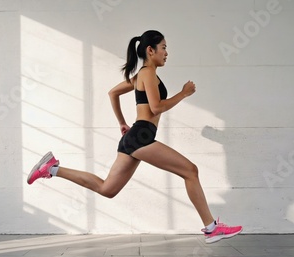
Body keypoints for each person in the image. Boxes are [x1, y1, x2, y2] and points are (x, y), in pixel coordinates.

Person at [27, 30, 242, 243]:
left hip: (135, 138)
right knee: (191, 171)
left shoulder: (142, 75)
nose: (167, 53)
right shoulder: (147, 73)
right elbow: (156, 107)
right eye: (164, 47)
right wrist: (183, 93)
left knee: (107, 189)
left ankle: (51, 168)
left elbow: (113, 92)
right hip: (141, 137)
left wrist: (122, 122)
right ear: (151, 50)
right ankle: (211, 227)